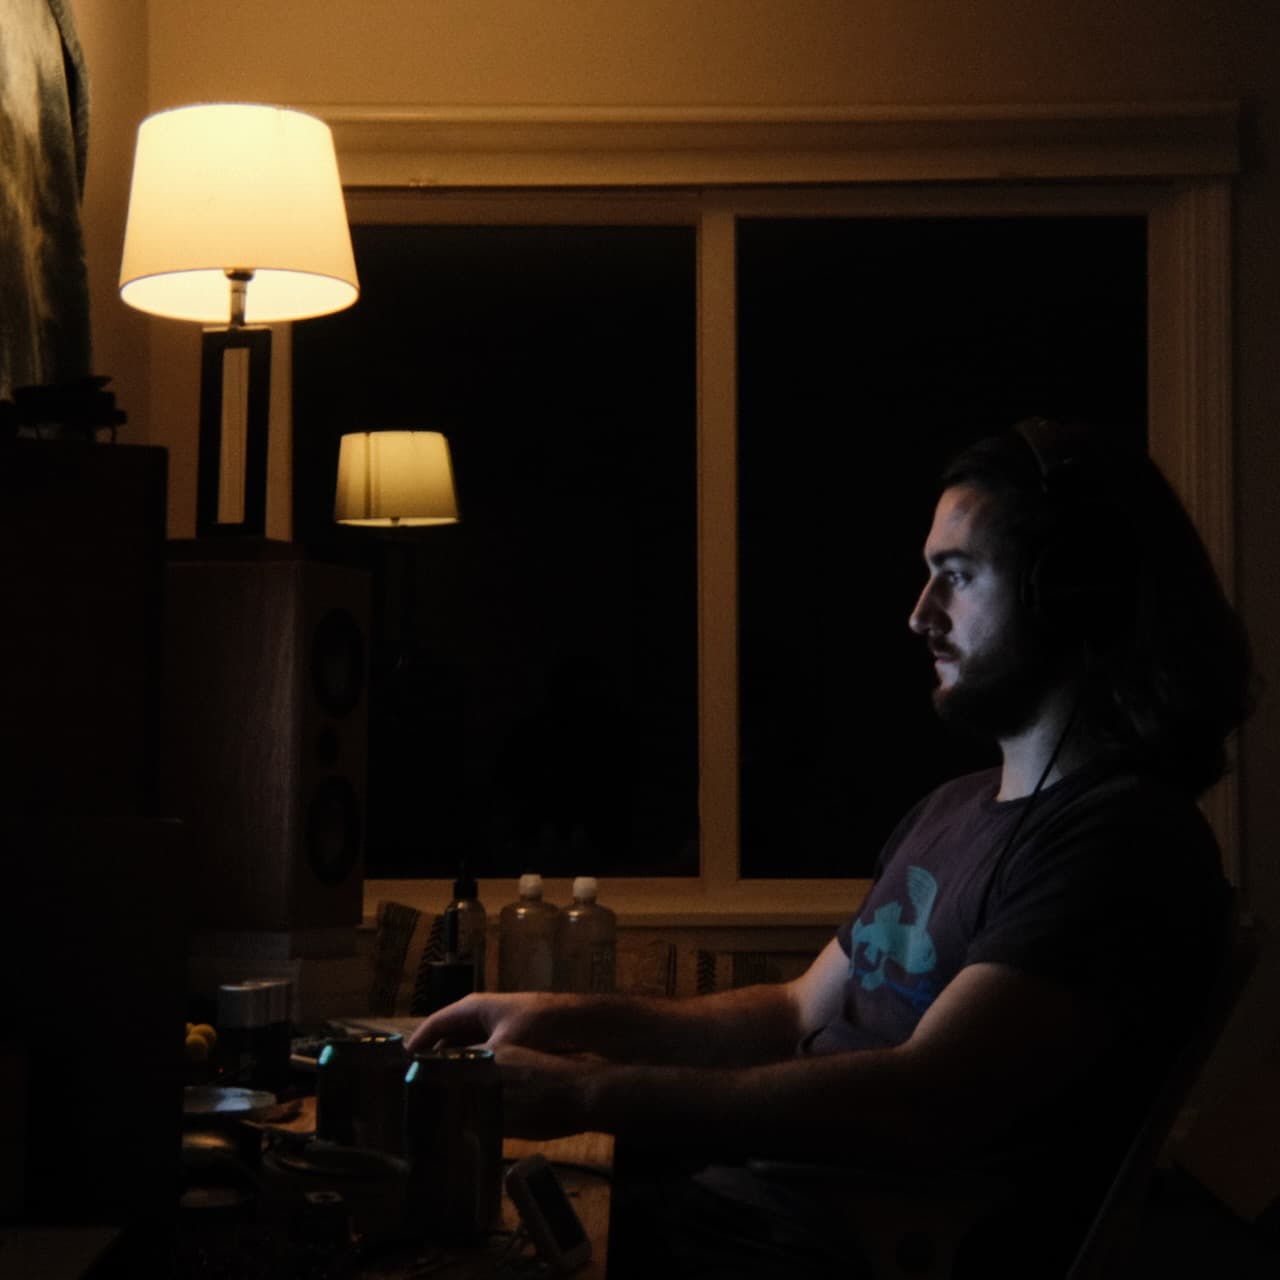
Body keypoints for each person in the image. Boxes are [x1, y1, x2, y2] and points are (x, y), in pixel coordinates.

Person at [408, 419, 1255, 1276]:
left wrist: (587, 1092)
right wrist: (566, 1020)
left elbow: (924, 1102)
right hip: (744, 1212)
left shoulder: (1122, 842)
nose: (920, 615)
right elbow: (792, 1013)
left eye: (958, 576)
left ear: (1071, 597)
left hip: (837, 1253)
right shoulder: (952, 810)